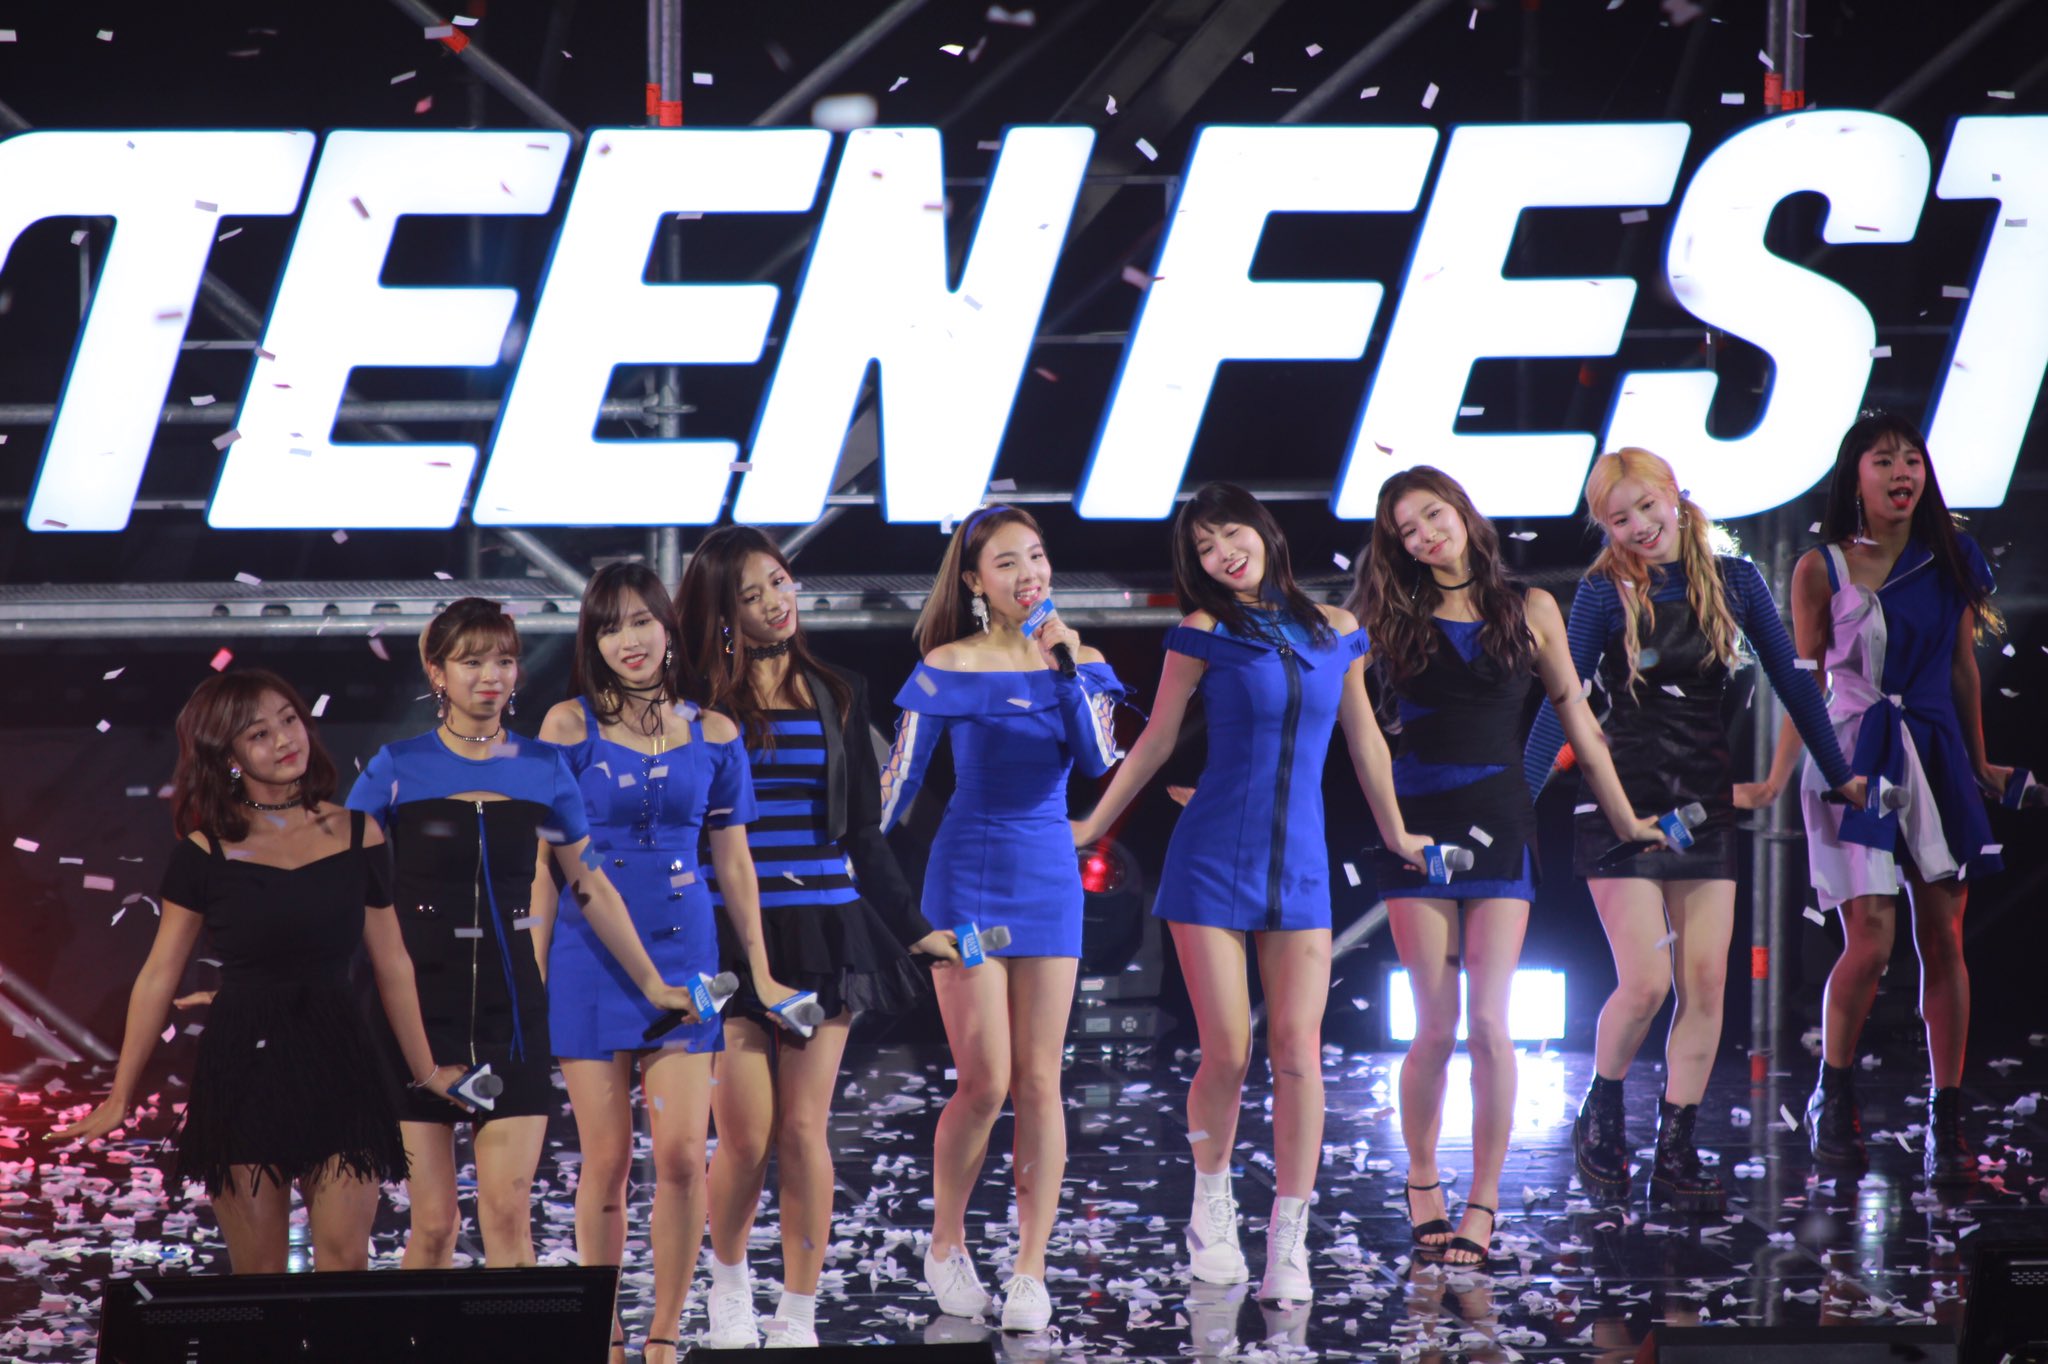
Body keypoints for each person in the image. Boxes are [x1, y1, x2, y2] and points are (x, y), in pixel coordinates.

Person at [1068, 481, 1430, 1302]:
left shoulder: (1336, 630)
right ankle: (1213, 1207)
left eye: (1231, 534)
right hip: (1210, 860)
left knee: (1298, 1051)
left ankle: (1288, 1239)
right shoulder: (1204, 631)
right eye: (1204, 547)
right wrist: (1092, 825)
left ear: (1264, 532)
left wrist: (1398, 833)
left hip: (1299, 861)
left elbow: (1365, 741)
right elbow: (1156, 740)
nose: (1222, 553)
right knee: (1228, 1051)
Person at [1521, 449, 1866, 1211]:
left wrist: (1840, 772)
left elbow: (1794, 682)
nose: (1639, 526)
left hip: (1703, 808)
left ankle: (1675, 1146)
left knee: (1705, 984)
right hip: (1621, 804)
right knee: (1646, 983)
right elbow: (1563, 699)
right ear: (1605, 528)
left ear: (1675, 496)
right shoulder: (1601, 592)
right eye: (1619, 519)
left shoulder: (1735, 581)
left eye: (1647, 506)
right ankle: (1602, 1107)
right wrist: (1518, 796)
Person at [1352, 466, 1667, 1266]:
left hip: (1500, 821)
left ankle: (1482, 1200)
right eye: (1407, 530)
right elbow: (1351, 726)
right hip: (1415, 829)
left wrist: (1626, 818)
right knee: (1434, 1025)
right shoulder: (1384, 612)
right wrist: (1393, 831)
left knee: (1491, 1024)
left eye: (1433, 515)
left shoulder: (1530, 607)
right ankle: (1423, 1179)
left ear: (1462, 512)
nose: (1426, 535)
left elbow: (1579, 723)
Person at [54, 670, 463, 1271]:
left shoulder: (360, 833)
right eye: (258, 733)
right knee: (261, 1277)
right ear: (228, 757)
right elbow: (159, 974)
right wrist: (121, 1095)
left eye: (289, 720)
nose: (284, 740)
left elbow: (393, 962)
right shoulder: (204, 852)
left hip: (339, 1059)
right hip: (244, 1064)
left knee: (345, 1264)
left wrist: (425, 1071)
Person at [347, 597, 702, 1276]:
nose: (491, 676)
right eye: (471, 662)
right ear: (436, 672)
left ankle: (517, 1333)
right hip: (414, 1017)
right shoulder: (394, 768)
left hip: (510, 1014)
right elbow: (342, 886)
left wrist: (654, 984)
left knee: (508, 1215)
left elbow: (590, 885)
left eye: (504, 661)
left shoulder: (544, 766)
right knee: (434, 1225)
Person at [677, 526, 959, 1350]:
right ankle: (730, 1284)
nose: (776, 602)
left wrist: (913, 927)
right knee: (746, 1134)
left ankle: (798, 1311)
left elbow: (865, 831)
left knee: (804, 1129)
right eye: (752, 594)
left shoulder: (839, 690)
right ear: (723, 612)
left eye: (779, 581)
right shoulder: (694, 698)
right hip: (730, 933)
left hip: (829, 924)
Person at [534, 565, 801, 1364]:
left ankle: (664, 1333)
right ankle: (607, 1332)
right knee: (607, 1160)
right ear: (592, 641)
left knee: (684, 1155)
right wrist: (538, 974)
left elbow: (736, 863)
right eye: (611, 626)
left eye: (642, 621)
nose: (631, 640)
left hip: (689, 959)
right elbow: (544, 869)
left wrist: (759, 969)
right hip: (587, 961)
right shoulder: (566, 728)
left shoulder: (714, 734)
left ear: (668, 627)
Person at [881, 506, 1126, 1333]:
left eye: (1037, 557)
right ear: (976, 581)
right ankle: (945, 1242)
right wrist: (852, 872)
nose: (1029, 574)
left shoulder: (1081, 661)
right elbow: (896, 789)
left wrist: (1068, 666)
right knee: (985, 1081)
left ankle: (1030, 1267)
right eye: (1008, 562)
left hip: (1048, 877)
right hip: (970, 879)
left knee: (1040, 1081)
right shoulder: (948, 664)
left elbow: (1097, 760)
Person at [1748, 413, 2007, 1186]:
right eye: (1885, 460)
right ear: (1855, 477)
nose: (1903, 473)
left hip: (1934, 753)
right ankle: (1834, 1092)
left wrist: (1980, 762)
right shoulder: (1819, 568)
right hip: (1850, 756)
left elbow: (1961, 668)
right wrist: (1775, 777)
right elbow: (1802, 684)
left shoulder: (1951, 556)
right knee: (1870, 939)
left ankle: (1946, 1115)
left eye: (1912, 459)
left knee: (1945, 938)